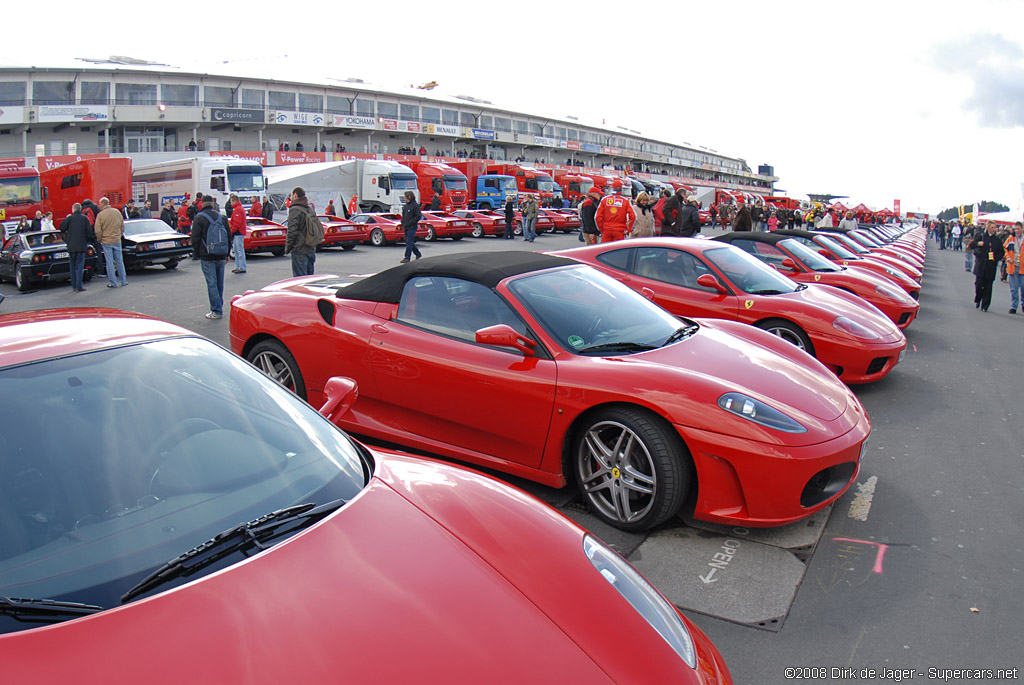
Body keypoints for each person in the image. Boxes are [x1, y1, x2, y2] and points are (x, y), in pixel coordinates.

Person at [190, 195, 228, 319]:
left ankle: (216, 311)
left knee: (211, 283)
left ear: (202, 204)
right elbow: (228, 234)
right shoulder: (221, 217)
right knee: (219, 283)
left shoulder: (199, 218)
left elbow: (195, 238)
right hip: (221, 254)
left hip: (207, 255)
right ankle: (219, 306)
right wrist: (227, 253)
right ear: (212, 203)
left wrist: (196, 253)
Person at [968, 221, 1005, 312]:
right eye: (992, 227)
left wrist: (995, 258)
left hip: (991, 266)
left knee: (988, 287)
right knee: (978, 284)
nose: (994, 229)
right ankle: (978, 298)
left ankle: (985, 305)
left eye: (994, 228)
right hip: (981, 265)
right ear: (987, 228)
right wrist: (978, 244)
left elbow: (1001, 252)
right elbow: (971, 245)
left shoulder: (997, 240)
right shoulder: (981, 236)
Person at [59, 203, 96, 293]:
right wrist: (86, 240)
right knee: (80, 266)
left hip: (71, 245)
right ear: (80, 209)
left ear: (73, 209)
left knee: (72, 266)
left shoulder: (69, 218)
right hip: (81, 245)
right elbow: (89, 232)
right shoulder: (84, 219)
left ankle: (74, 285)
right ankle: (79, 286)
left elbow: (62, 228)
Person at [95, 197, 128, 288]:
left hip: (106, 240)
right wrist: (119, 235)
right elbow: (122, 226)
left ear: (102, 204)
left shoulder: (100, 215)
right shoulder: (117, 212)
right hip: (117, 239)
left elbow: (98, 230)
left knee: (109, 261)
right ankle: (123, 280)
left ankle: (113, 282)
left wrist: (100, 239)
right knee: (119, 261)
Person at [284, 186, 318, 276]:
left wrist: (288, 248)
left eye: (291, 195)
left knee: (300, 281)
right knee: (310, 280)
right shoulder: (310, 209)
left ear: (295, 195)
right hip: (311, 248)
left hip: (300, 250)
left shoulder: (295, 210)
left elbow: (292, 231)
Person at [1004, 222, 1024, 314]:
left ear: (1022, 229)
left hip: (1023, 267)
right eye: (1015, 229)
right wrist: (1008, 257)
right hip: (1013, 266)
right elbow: (1005, 249)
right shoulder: (1011, 239)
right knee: (1014, 288)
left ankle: (1023, 305)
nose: (1017, 231)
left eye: (1018, 229)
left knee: (1023, 287)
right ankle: (1014, 305)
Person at [399, 190, 422, 262]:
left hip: (412, 227)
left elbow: (418, 216)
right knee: (410, 241)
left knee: (409, 241)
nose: (404, 198)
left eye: (405, 197)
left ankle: (407, 257)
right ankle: (418, 253)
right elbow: (404, 215)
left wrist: (411, 222)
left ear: (409, 197)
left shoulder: (415, 205)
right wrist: (403, 222)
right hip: (406, 226)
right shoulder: (406, 206)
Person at [228, 194, 247, 274]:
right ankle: (239, 266)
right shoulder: (239, 209)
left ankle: (241, 267)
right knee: (237, 250)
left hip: (238, 232)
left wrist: (231, 231)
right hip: (239, 232)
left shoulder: (237, 210)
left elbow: (237, 223)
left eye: (231, 201)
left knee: (239, 250)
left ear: (234, 201)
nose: (230, 203)